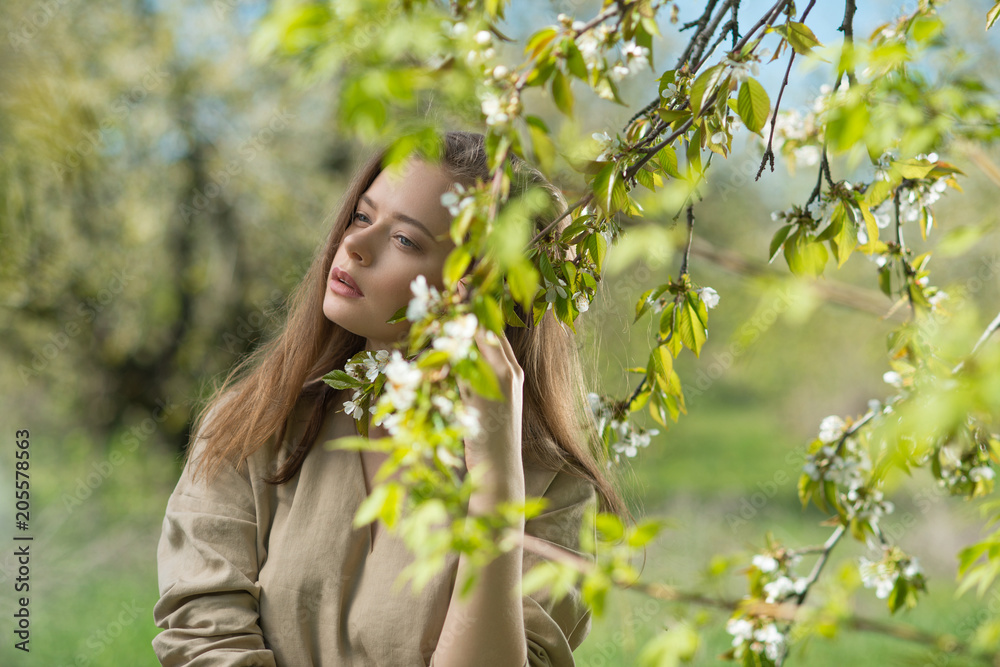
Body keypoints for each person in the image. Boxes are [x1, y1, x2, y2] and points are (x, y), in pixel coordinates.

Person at [152, 131, 633, 666]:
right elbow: (205, 641)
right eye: (361, 216)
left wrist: (496, 486)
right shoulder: (254, 424)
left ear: (481, 292)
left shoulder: (552, 489)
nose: (356, 244)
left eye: (405, 239)